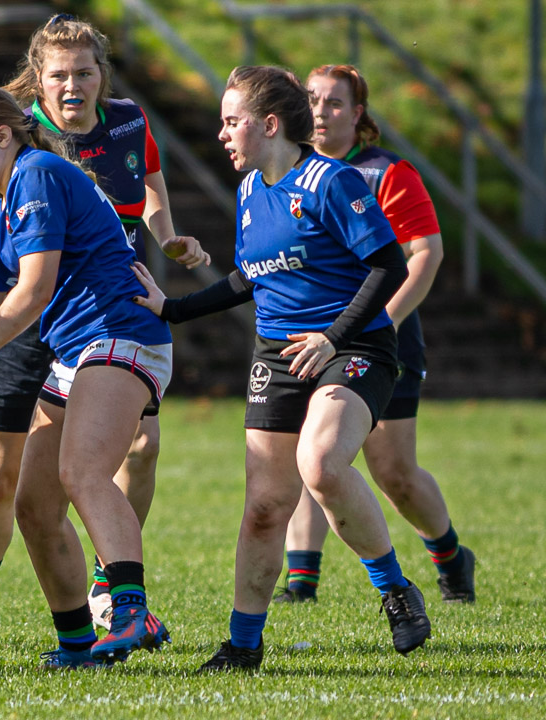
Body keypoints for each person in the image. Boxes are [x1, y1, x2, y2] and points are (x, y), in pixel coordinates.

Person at [130, 65, 432, 672]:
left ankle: (396, 589)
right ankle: (243, 645)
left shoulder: (332, 180)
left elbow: (387, 268)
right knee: (266, 505)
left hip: (356, 346)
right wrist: (173, 309)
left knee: (320, 465)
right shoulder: (248, 191)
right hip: (278, 354)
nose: (222, 134)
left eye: (231, 121)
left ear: (269, 125)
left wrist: (332, 336)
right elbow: (252, 278)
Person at [0, 14, 209, 647]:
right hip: (72, 340)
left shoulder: (37, 172)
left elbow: (32, 290)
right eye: (58, 75)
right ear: (37, 82)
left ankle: (124, 605)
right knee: (33, 502)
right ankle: (72, 642)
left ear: (5, 136)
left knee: (87, 470)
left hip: (117, 325)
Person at [274, 64, 474, 605]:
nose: (319, 111)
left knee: (394, 472)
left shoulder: (385, 173)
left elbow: (425, 253)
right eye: (310, 100)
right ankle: (302, 580)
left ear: (357, 114)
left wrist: (385, 318)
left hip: (382, 339)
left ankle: (451, 555)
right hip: (311, 337)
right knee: (307, 450)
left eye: (333, 103)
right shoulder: (289, 172)